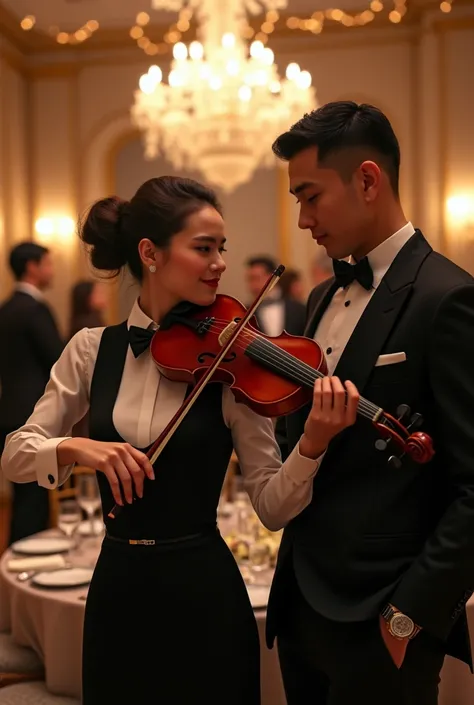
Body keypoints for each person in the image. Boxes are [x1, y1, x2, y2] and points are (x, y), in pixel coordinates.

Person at [1, 175, 359, 705]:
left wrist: (312, 443)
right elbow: (15, 455)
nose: (219, 263)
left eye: (222, 249)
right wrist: (77, 449)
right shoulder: (90, 350)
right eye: (203, 248)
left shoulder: (230, 361)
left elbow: (272, 506)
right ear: (150, 252)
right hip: (117, 590)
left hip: (205, 594)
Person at [265, 100, 474, 705]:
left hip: (382, 619)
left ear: (366, 179)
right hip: (301, 605)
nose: (302, 220)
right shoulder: (324, 295)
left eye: (310, 196)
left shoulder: (449, 298)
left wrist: (408, 617)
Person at [0, 242, 63, 544]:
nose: (52, 271)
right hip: (34, 413)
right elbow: (58, 361)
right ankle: (32, 565)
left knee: (21, 498)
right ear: (32, 267)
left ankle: (14, 566)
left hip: (9, 409)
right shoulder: (35, 309)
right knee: (35, 502)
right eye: (48, 264)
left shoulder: (6, 309)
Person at [244, 255, 306, 337]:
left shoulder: (300, 309)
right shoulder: (245, 313)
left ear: (272, 277)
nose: (253, 286)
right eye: (250, 280)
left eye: (257, 278)